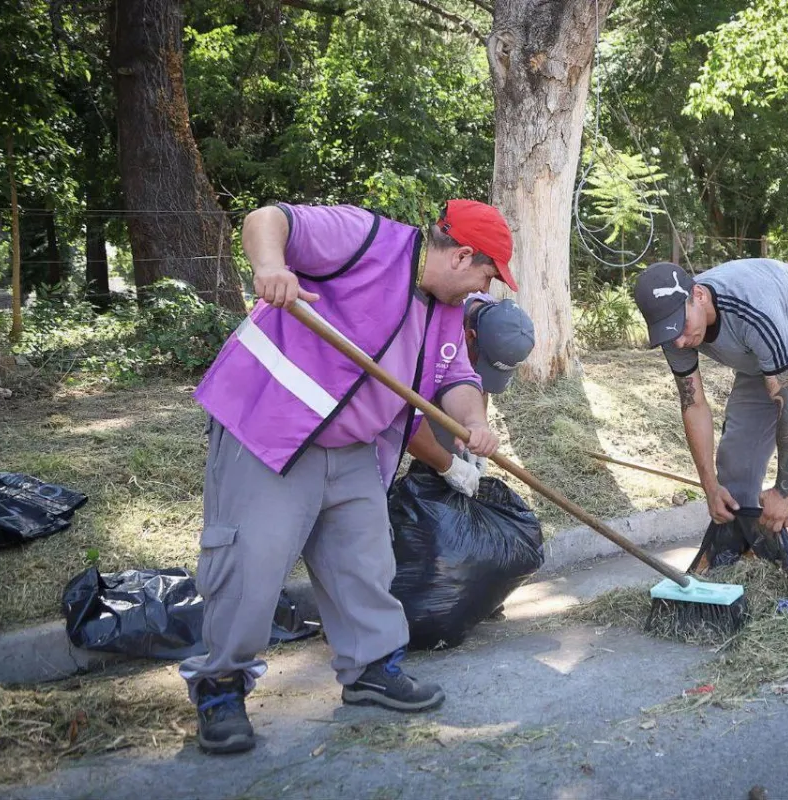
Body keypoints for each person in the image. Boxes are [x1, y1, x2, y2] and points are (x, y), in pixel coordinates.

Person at [181, 199, 515, 755]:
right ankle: (220, 687)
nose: (487, 288)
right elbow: (269, 219)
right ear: (462, 256)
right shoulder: (365, 237)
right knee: (250, 565)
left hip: (356, 445)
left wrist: (474, 420)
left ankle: (371, 672)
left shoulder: (448, 308)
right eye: (488, 274)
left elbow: (454, 373)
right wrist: (270, 266)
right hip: (272, 429)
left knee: (365, 562)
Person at [633, 259, 788, 638]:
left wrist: (785, 489)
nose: (677, 340)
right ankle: (752, 556)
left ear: (698, 295)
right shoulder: (675, 329)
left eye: (680, 326)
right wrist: (709, 486)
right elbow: (693, 405)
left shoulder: (751, 308)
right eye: (666, 332)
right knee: (735, 463)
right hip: (764, 362)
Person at [405, 293, 535, 497]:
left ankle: (438, 495)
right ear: (469, 335)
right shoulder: (436, 316)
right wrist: (448, 465)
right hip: (411, 380)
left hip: (451, 380)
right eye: (480, 362)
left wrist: (476, 425)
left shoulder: (495, 322)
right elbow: (406, 415)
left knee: (453, 442)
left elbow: (480, 387)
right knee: (431, 446)